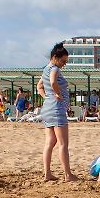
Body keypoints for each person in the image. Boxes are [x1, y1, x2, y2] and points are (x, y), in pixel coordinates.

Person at [37, 42, 78, 182]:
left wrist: (47, 97)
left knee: (49, 142)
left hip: (48, 108)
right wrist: (58, 94)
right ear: (55, 57)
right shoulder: (54, 69)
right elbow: (54, 82)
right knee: (63, 144)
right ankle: (68, 175)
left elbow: (39, 87)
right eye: (63, 61)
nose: (64, 64)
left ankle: (47, 173)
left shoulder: (45, 70)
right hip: (56, 109)